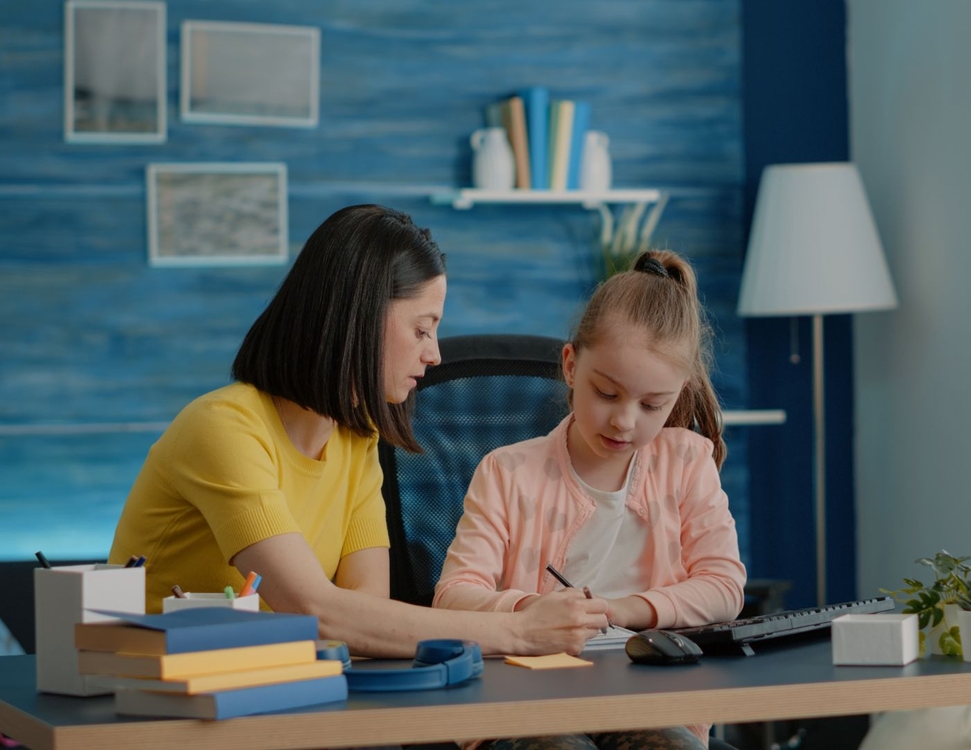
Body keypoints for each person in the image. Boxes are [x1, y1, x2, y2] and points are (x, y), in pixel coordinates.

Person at [108, 204, 608, 658]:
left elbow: (364, 618)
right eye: (421, 328)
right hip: (165, 706)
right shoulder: (223, 429)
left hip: (269, 693)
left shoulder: (355, 438)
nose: (434, 354)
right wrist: (518, 631)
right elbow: (317, 610)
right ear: (361, 317)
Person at [434, 250, 747, 750]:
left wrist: (623, 609)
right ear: (571, 366)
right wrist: (533, 610)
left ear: (679, 393)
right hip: (529, 704)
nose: (625, 421)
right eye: (607, 394)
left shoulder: (688, 462)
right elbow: (452, 596)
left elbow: (724, 587)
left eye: (652, 405)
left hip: (650, 701)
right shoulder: (507, 471)